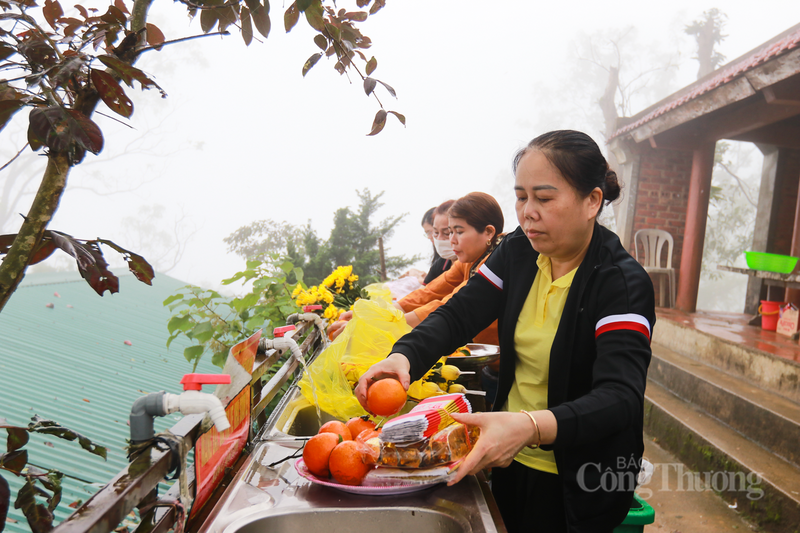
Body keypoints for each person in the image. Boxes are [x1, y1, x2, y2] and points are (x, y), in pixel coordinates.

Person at [355, 130, 655, 533]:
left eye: (544, 198)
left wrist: (529, 426)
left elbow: (619, 398)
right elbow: (459, 313)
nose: (527, 212)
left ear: (592, 201)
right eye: (521, 196)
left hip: (579, 480)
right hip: (508, 457)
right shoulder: (518, 253)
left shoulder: (619, 283)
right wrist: (403, 356)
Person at [327, 192, 503, 343]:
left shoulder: (495, 264)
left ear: (488, 232)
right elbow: (427, 294)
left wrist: (375, 325)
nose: (451, 240)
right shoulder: (466, 262)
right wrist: (374, 314)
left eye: (458, 232)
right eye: (450, 232)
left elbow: (447, 305)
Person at [424, 201, 455, 285]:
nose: (439, 239)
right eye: (436, 233)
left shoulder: (477, 267)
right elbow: (426, 291)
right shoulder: (440, 264)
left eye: (447, 233)